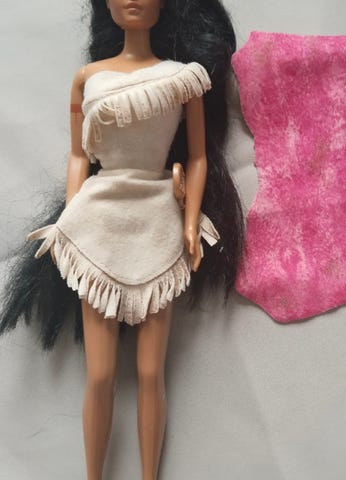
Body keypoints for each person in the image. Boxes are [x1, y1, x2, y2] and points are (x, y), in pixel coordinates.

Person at [0, 0, 243, 478]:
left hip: (158, 220)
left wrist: (190, 221)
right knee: (101, 374)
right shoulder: (88, 78)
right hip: (99, 220)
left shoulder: (182, 78)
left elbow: (197, 158)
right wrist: (74, 218)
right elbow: (79, 156)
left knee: (152, 373)